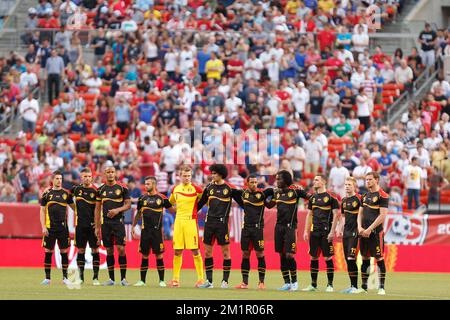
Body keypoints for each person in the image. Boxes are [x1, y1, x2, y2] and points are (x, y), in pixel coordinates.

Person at [197, 164, 242, 289]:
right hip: (209, 223)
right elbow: (199, 205)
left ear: (221, 174)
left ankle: (225, 281)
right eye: (212, 173)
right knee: (207, 252)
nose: (212, 175)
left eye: (215, 173)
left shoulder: (230, 188)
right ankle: (209, 282)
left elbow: (243, 202)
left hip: (222, 224)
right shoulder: (209, 188)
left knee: (226, 252)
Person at [266, 170, 310, 291]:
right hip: (278, 226)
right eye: (276, 179)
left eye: (279, 179)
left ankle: (295, 282)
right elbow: (269, 205)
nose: (277, 181)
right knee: (281, 254)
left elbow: (309, 197)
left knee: (290, 254)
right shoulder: (277, 194)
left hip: (291, 226)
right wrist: (261, 198)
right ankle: (286, 283)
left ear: (286, 180)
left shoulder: (295, 191)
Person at [132, 176, 174, 287]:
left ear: (154, 185)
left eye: (148, 184)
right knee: (144, 256)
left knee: (159, 256)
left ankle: (161, 281)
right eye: (145, 184)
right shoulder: (142, 198)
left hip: (157, 232)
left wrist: (183, 206)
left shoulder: (162, 198)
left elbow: (172, 210)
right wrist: (133, 226)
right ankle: (142, 281)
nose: (146, 186)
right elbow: (138, 213)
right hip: (145, 232)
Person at [234, 175, 274, 290]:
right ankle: (244, 283)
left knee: (260, 254)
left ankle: (261, 282)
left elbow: (272, 196)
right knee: (245, 254)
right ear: (247, 183)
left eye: (256, 182)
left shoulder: (262, 195)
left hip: (257, 229)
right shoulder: (243, 194)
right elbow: (233, 192)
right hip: (246, 228)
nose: (254, 184)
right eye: (252, 182)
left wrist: (276, 197)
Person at [167, 165, 204, 288]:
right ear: (180, 176)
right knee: (177, 251)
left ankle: (201, 279)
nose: (187, 178)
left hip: (191, 222)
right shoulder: (175, 189)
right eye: (185, 176)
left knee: (195, 250)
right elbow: (170, 203)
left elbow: (206, 200)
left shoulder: (196, 189)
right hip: (178, 222)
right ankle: (175, 280)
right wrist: (174, 211)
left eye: (189, 176)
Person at [95, 165, 131, 286]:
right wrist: (96, 227)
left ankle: (123, 279)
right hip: (105, 224)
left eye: (112, 172)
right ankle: (111, 279)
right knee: (109, 250)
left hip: (118, 222)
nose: (110, 174)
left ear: (116, 173)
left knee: (121, 249)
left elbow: (128, 205)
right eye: (108, 172)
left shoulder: (122, 188)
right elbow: (97, 208)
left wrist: (117, 210)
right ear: (104, 174)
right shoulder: (101, 190)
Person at [302, 175, 339, 292]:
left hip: (326, 231)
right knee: (313, 257)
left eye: (317, 180)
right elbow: (309, 215)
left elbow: (336, 215)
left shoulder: (331, 197)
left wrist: (332, 231)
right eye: (314, 180)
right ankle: (313, 285)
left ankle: (330, 285)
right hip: (314, 232)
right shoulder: (312, 198)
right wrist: (306, 231)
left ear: (323, 182)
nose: (314, 182)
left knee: (328, 257)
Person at [39, 170, 75, 285]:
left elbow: (75, 208)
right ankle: (47, 278)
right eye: (57, 178)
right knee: (48, 251)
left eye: (60, 179)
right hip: (50, 228)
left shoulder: (66, 194)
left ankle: (65, 278)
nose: (59, 181)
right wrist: (43, 226)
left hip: (63, 228)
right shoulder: (46, 193)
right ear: (52, 180)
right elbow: (42, 210)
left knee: (64, 251)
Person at [357, 172, 389, 295]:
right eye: (366, 180)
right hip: (363, 232)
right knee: (364, 258)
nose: (367, 182)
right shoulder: (364, 196)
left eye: (370, 179)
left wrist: (369, 228)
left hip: (375, 233)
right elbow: (360, 213)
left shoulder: (383, 195)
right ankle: (364, 287)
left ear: (376, 180)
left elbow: (382, 216)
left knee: (379, 258)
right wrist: (360, 227)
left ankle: (381, 287)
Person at [71, 168, 101, 285]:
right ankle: (81, 277)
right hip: (80, 226)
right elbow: (67, 198)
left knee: (95, 250)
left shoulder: (96, 191)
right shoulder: (76, 189)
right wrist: (75, 210)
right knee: (81, 250)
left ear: (92, 177)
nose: (87, 178)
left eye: (89, 176)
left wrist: (97, 224)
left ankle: (95, 278)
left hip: (93, 226)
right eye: (85, 176)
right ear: (81, 177)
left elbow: (99, 209)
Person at [338, 177, 362, 294]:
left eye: (349, 185)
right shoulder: (343, 200)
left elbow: (362, 214)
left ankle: (356, 287)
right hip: (346, 233)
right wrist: (339, 228)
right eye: (346, 184)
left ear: (354, 186)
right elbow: (342, 216)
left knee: (351, 258)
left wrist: (360, 228)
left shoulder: (359, 199)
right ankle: (352, 285)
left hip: (354, 233)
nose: (347, 186)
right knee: (348, 260)